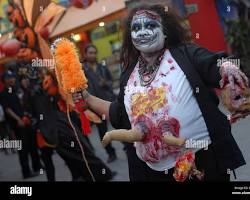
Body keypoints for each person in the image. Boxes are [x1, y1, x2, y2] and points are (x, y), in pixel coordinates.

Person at [73, 4, 248, 181]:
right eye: (136, 28)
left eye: (150, 26)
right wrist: (88, 98)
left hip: (203, 163)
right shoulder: (128, 74)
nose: (142, 32)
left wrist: (227, 67)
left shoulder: (185, 54)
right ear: (130, 36)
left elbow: (217, 63)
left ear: (165, 31)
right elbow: (121, 115)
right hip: (154, 173)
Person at [0, 70, 39, 179]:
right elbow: (7, 109)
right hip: (17, 124)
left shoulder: (16, 90)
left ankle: (37, 167)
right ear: (4, 81)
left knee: (33, 145)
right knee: (23, 149)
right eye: (9, 78)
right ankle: (26, 172)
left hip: (26, 120)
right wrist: (18, 120)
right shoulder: (3, 93)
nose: (12, 79)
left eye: (12, 77)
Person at [82, 44, 117, 163]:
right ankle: (110, 153)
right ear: (85, 54)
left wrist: (105, 83)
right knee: (102, 131)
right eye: (90, 53)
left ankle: (128, 146)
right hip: (94, 106)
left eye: (94, 52)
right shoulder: (82, 70)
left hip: (108, 102)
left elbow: (111, 82)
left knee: (120, 124)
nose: (93, 55)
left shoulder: (102, 67)